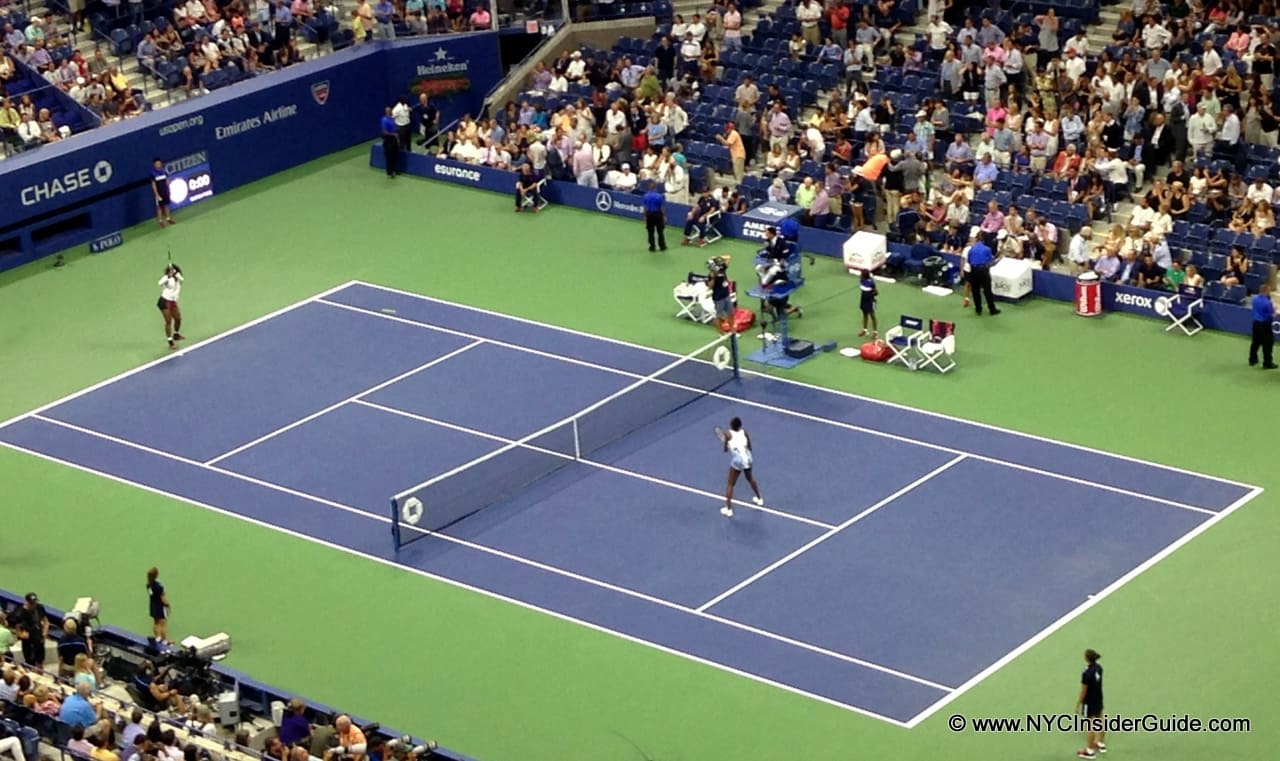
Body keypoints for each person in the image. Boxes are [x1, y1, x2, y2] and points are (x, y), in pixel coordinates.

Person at [719, 416, 763, 517]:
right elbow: (750, 446)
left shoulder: (727, 434)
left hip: (738, 461)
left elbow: (725, 450)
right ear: (740, 426)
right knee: (750, 478)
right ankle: (759, 499)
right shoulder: (744, 432)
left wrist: (727, 444)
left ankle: (728, 509)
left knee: (730, 484)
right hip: (748, 458)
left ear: (731, 425)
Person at [1075, 649, 1106, 758]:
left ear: (1087, 658)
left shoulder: (1086, 673)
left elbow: (1084, 691)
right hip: (1098, 698)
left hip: (1089, 702)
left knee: (1090, 725)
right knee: (1101, 719)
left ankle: (1089, 751)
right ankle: (1101, 743)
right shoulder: (1099, 668)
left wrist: (1078, 704)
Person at [967, 231, 1000, 315]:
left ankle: (978, 309)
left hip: (973, 270)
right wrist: (997, 260)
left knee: (975, 290)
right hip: (983, 270)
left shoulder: (972, 249)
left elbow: (969, 260)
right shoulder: (987, 249)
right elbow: (991, 262)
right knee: (987, 290)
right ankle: (992, 309)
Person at [13, 592, 48, 669]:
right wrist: (21, 635)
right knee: (30, 663)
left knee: (40, 661)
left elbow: (46, 621)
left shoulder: (39, 608)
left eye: (35, 602)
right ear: (27, 602)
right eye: (32, 603)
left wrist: (45, 633)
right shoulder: (20, 612)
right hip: (28, 643)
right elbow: (16, 627)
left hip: (39, 640)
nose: (34, 604)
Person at [157, 264, 185, 351]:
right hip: (164, 301)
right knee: (169, 322)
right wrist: (167, 276)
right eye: (170, 270)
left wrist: (175, 273)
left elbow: (182, 280)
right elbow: (159, 283)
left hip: (173, 302)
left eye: (173, 270)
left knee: (178, 318)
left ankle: (176, 335)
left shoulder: (178, 277)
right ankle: (170, 342)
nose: (172, 272)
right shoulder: (167, 279)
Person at [1249, 283, 1276, 369]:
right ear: (1266, 291)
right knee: (1267, 344)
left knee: (1255, 342)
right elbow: (1271, 314)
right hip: (1265, 325)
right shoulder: (1267, 303)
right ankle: (1267, 363)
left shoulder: (1254, 299)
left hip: (1256, 323)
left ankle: (1252, 360)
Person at [147, 567, 171, 644]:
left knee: (156, 622)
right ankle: (164, 640)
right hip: (160, 606)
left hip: (153, 605)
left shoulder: (148, 584)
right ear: (156, 575)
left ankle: (157, 637)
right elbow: (163, 598)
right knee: (163, 623)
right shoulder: (159, 586)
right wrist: (167, 604)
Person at [642, 181, 667, 251]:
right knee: (660, 231)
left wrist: (645, 216)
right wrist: (664, 216)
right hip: (657, 215)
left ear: (649, 188)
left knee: (650, 232)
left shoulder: (646, 195)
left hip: (649, 215)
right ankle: (662, 246)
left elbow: (645, 207)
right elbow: (662, 207)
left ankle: (652, 247)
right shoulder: (659, 196)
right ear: (656, 187)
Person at [151, 159, 175, 227]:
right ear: (154, 165)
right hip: (159, 193)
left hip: (165, 192)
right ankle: (160, 221)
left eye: (159, 163)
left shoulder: (164, 171)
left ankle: (168, 219)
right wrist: (156, 195)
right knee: (159, 207)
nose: (158, 165)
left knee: (166, 205)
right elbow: (153, 185)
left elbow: (167, 181)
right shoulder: (153, 173)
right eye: (157, 164)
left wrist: (169, 190)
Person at [857, 269, 878, 338]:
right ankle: (865, 330)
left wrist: (871, 294)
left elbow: (876, 293)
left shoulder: (871, 283)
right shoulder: (861, 281)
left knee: (872, 316)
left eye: (861, 274)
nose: (860, 275)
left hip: (870, 301)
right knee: (864, 314)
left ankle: (875, 332)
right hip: (863, 300)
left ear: (864, 275)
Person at [380, 106, 399, 177]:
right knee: (389, 156)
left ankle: (394, 170)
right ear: (388, 112)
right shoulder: (384, 120)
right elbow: (384, 131)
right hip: (388, 140)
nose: (392, 112)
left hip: (394, 140)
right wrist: (393, 134)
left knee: (394, 155)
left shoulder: (392, 119)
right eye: (391, 111)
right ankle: (389, 172)